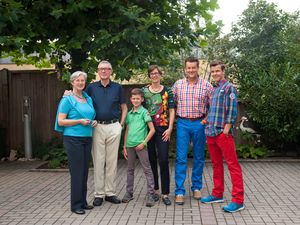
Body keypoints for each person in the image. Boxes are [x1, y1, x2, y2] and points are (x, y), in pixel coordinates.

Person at [201, 60, 245, 213]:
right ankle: (217, 194)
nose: (215, 74)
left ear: (223, 71)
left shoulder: (229, 88)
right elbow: (214, 109)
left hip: (222, 133)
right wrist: (206, 120)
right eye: (213, 72)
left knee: (232, 165)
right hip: (211, 132)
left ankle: (238, 200)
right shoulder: (214, 89)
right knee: (216, 165)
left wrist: (227, 127)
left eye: (217, 71)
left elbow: (232, 110)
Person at [86, 60, 128, 206]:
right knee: (98, 161)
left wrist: (120, 125)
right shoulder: (91, 88)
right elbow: (81, 101)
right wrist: (68, 94)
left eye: (107, 69)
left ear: (111, 71)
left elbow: (124, 107)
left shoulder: (117, 87)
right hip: (97, 127)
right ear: (98, 71)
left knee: (112, 162)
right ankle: (99, 194)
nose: (104, 71)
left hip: (113, 127)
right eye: (101, 69)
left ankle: (110, 193)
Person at [55, 71, 97, 215]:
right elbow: (61, 121)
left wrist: (93, 122)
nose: (80, 83)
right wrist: (78, 121)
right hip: (73, 139)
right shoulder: (67, 100)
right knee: (77, 172)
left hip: (87, 138)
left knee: (84, 171)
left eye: (82, 80)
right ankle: (75, 205)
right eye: (77, 80)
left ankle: (83, 202)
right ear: (72, 82)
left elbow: (90, 115)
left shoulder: (87, 98)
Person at [172, 57, 212, 205]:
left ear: (198, 67)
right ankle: (179, 191)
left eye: (193, 68)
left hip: (199, 123)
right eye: (188, 68)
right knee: (181, 158)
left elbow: (212, 106)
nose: (191, 70)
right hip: (182, 123)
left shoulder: (207, 86)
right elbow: (172, 104)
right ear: (185, 68)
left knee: (199, 157)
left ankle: (196, 187)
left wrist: (205, 120)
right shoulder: (178, 85)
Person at [142, 65, 175, 206]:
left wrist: (170, 128)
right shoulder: (144, 91)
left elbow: (172, 110)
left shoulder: (168, 91)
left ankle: (165, 193)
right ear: (149, 76)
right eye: (152, 73)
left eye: (157, 73)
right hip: (148, 129)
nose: (154, 75)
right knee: (151, 160)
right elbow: (137, 105)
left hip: (163, 129)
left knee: (163, 159)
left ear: (160, 75)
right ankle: (154, 190)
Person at [121, 88, 157, 207]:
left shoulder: (144, 112)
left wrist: (144, 143)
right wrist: (125, 146)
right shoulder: (129, 114)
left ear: (141, 99)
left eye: (138, 98)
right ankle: (129, 193)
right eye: (134, 98)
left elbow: (152, 130)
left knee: (147, 169)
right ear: (131, 100)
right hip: (130, 146)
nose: (136, 100)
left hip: (141, 146)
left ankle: (151, 194)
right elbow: (127, 130)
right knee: (130, 170)